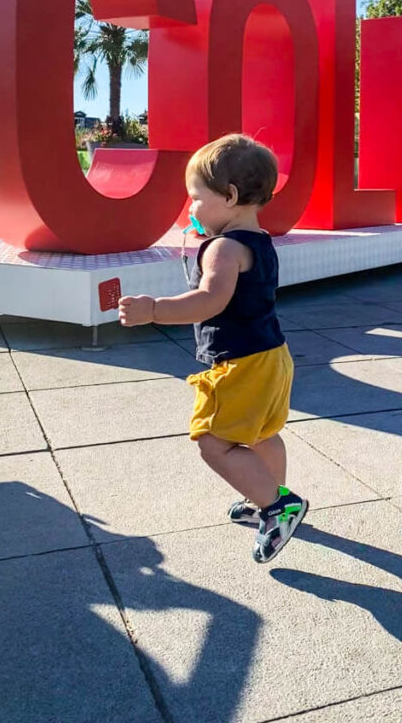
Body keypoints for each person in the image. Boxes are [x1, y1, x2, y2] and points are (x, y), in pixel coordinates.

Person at [118, 133, 308, 563]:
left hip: (239, 363)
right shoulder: (260, 240)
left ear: (231, 196)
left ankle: (278, 508)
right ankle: (268, 497)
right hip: (271, 355)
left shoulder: (222, 247)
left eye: (196, 198)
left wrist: (154, 310)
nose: (191, 209)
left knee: (213, 441)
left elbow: (210, 300)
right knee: (262, 434)